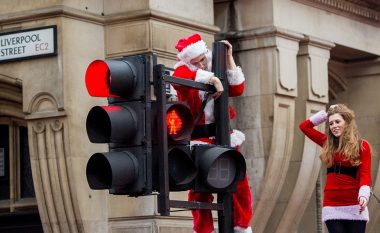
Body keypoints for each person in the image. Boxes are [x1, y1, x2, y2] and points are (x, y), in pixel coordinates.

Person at [172, 33, 253, 233]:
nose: (201, 65)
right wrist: (212, 79)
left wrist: (229, 58)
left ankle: (240, 226)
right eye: (196, 62)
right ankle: (204, 230)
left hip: (225, 136)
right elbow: (179, 78)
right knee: (200, 190)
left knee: (239, 184)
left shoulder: (214, 66)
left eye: (202, 59)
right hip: (201, 139)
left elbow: (237, 88)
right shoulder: (185, 71)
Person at [299, 104, 371, 233]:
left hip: (355, 204)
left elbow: (365, 174)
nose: (334, 126)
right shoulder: (327, 143)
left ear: (347, 122)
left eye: (337, 121)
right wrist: (326, 115)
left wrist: (364, 196)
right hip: (332, 205)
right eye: (331, 123)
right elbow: (304, 127)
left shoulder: (362, 146)